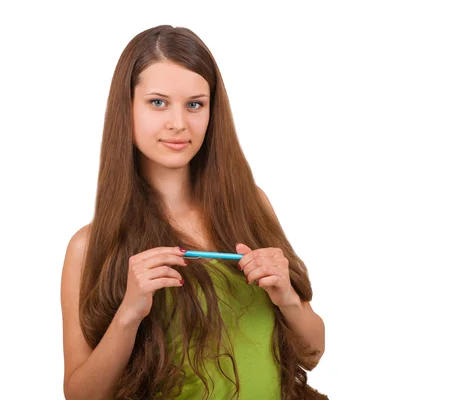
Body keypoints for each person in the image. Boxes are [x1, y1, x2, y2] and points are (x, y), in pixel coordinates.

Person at [61, 25, 326, 400]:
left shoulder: (252, 205)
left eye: (195, 104)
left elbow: (313, 353)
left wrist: (287, 297)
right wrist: (129, 314)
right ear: (127, 108)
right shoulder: (88, 247)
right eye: (157, 102)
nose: (178, 123)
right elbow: (80, 395)